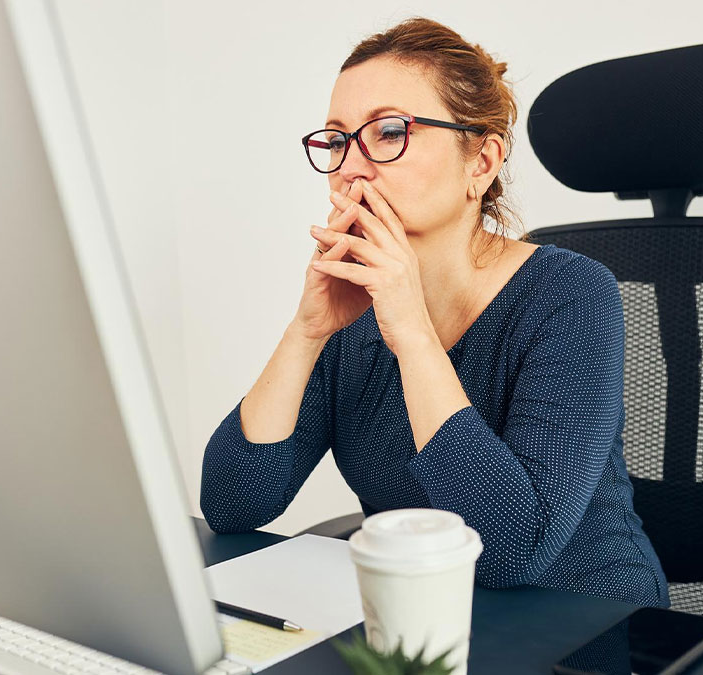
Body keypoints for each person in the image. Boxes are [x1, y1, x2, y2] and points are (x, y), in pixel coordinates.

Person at [200, 16, 668, 608]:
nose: (350, 167)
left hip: (583, 624)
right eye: (337, 139)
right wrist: (307, 331)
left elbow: (508, 552)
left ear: (481, 162)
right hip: (421, 622)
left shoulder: (571, 295)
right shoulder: (352, 310)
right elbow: (234, 504)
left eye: (390, 131)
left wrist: (412, 333)